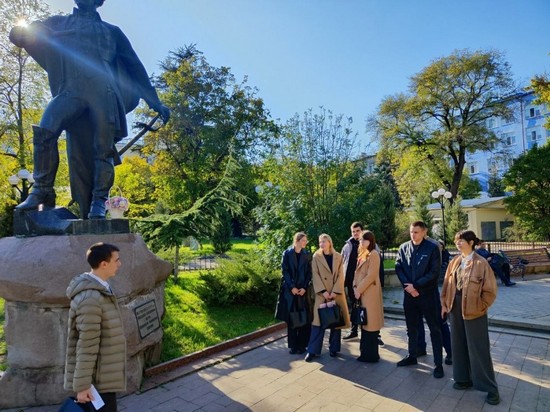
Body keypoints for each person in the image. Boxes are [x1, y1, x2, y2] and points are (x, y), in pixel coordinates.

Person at [9, 0, 170, 219]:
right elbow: (30, 32)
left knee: (103, 150)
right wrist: (18, 34)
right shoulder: (59, 23)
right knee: (45, 131)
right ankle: (42, 190)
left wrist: (155, 101)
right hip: (71, 90)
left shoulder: (112, 32)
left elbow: (134, 66)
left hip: (104, 92)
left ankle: (99, 200)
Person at [64, 242, 125, 411]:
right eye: (116, 260)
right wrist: (83, 386)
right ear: (104, 264)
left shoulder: (101, 289)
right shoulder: (91, 298)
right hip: (96, 381)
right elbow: (86, 345)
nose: (119, 264)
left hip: (104, 375)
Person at [441, 231, 500, 405]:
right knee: (458, 344)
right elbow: (446, 285)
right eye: (456, 241)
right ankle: (463, 379)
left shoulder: (481, 263)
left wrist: (480, 306)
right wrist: (444, 304)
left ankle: (491, 388)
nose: (458, 244)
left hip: (475, 311)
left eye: (461, 241)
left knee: (478, 348)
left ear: (471, 242)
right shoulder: (454, 261)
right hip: (455, 308)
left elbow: (490, 291)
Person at [395, 221, 444, 379]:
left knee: (434, 329)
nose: (413, 235)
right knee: (411, 328)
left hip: (428, 295)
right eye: (411, 232)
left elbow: (434, 272)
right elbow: (398, 267)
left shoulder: (432, 248)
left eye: (416, 232)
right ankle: (412, 355)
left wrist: (416, 286)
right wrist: (408, 287)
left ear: (424, 232)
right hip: (409, 296)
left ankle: (438, 364)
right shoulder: (403, 247)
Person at [305, 234, 350, 362]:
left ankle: (334, 349)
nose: (322, 244)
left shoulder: (338, 256)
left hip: (336, 293)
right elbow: (315, 275)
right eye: (320, 242)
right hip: (322, 294)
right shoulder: (316, 256)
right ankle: (312, 351)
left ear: (330, 242)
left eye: (324, 241)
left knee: (336, 319)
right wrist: (323, 291)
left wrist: (335, 291)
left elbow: (341, 275)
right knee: (317, 322)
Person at [417, 237, 453, 366]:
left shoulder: (433, 245)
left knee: (438, 323)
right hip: (414, 292)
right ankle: (420, 347)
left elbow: (434, 270)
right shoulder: (410, 245)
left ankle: (450, 352)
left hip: (429, 291)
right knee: (417, 322)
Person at [275, 232, 312, 355]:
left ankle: (302, 345)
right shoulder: (287, 253)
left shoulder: (307, 254)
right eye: (303, 240)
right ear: (297, 241)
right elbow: (285, 271)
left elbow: (309, 273)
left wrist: (304, 287)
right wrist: (292, 287)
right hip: (290, 291)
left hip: (302, 291)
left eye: (306, 240)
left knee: (303, 318)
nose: (305, 242)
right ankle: (293, 346)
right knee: (291, 319)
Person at [353, 230, 384, 362]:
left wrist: (358, 289)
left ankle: (371, 356)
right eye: (361, 240)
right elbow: (356, 273)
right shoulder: (362, 254)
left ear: (370, 241)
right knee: (364, 323)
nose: (361, 242)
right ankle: (365, 354)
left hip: (369, 293)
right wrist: (355, 287)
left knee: (370, 325)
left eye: (364, 240)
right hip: (362, 293)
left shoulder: (374, 254)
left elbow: (371, 275)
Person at [341, 222, 363, 340]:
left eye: (357, 231)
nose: (355, 233)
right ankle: (354, 331)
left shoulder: (369, 243)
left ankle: (375, 334)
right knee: (354, 306)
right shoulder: (347, 246)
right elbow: (341, 263)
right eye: (353, 231)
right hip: (350, 282)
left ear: (362, 231)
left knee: (366, 307)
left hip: (363, 282)